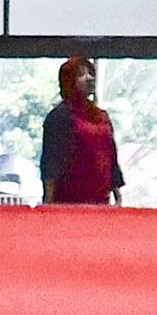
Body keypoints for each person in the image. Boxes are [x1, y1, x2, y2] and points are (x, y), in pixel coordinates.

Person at [43, 55, 121, 206]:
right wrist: (48, 201)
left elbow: (111, 155)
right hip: (68, 199)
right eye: (82, 75)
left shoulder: (102, 116)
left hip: (100, 199)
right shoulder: (59, 116)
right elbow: (51, 161)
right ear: (69, 81)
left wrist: (117, 194)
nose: (89, 78)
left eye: (91, 74)